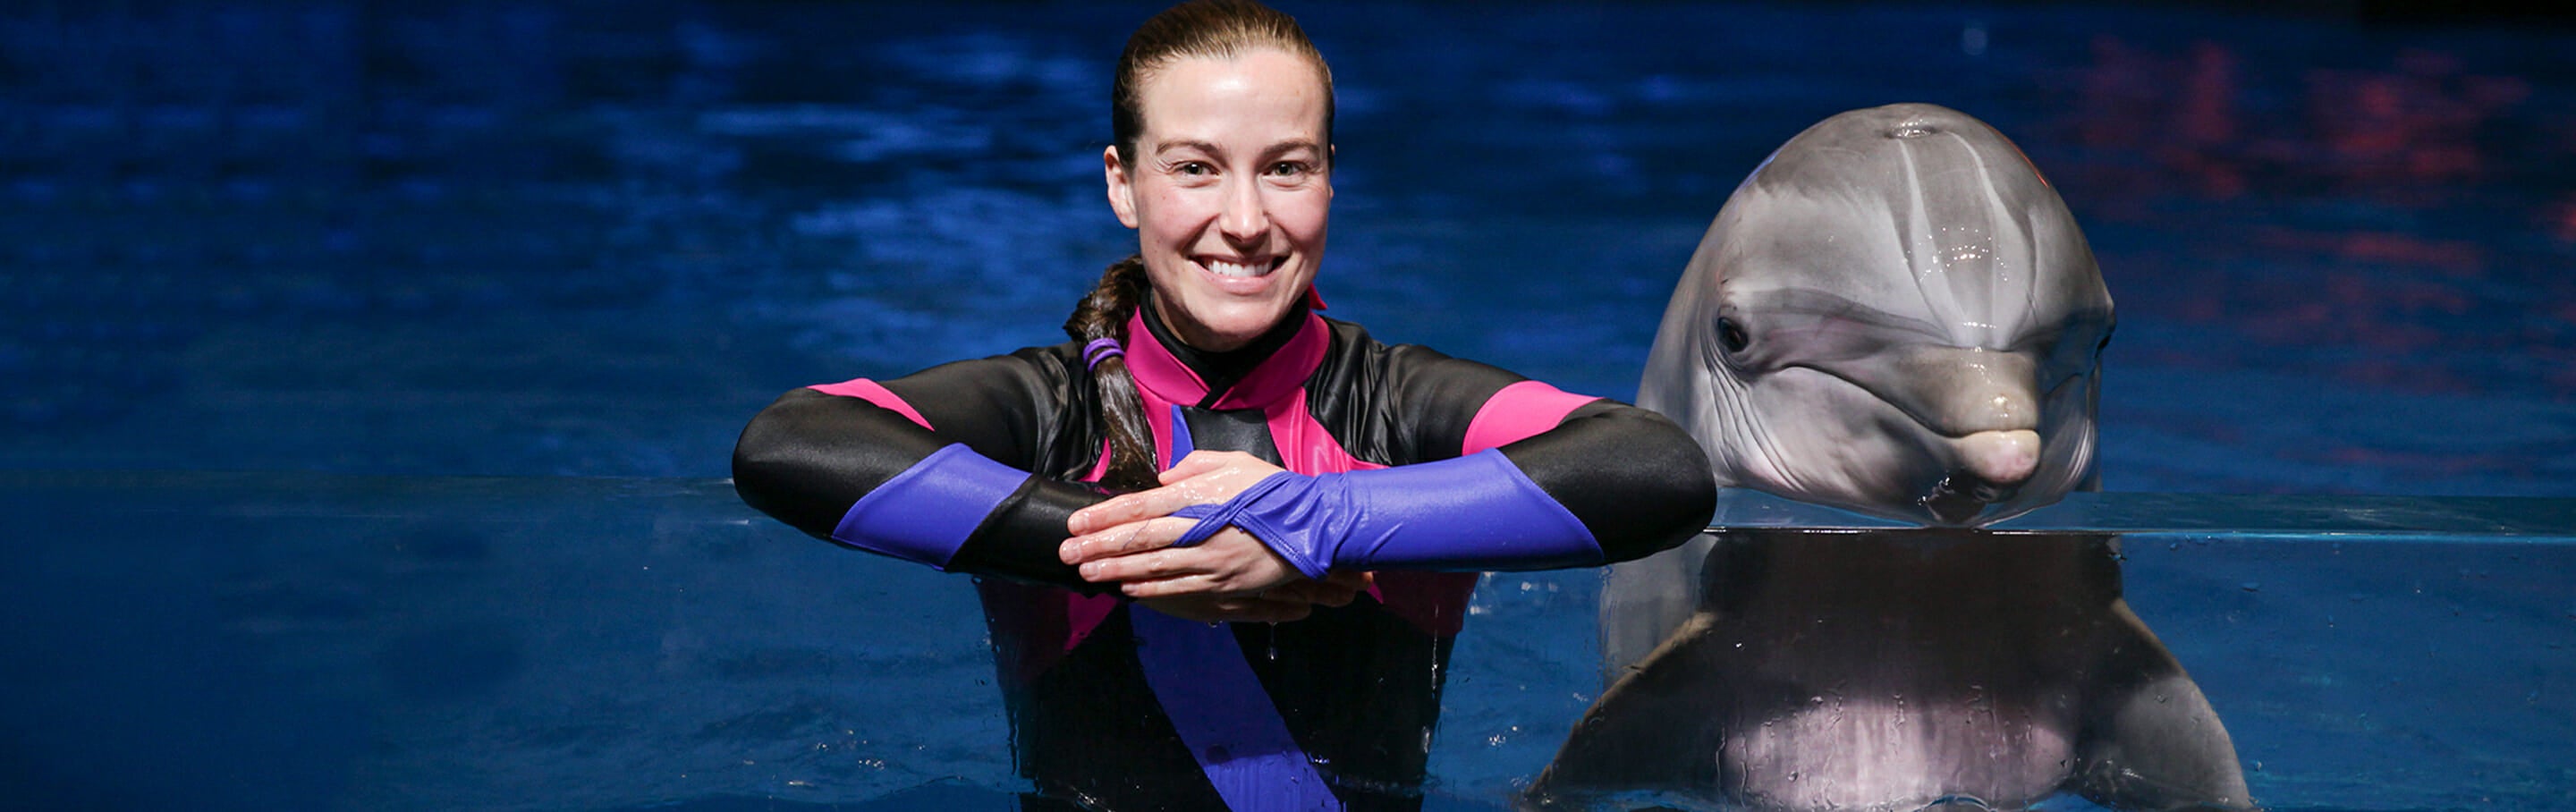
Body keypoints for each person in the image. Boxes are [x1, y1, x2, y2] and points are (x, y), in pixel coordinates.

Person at [731, 2, 1715, 808]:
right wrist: (1152, 551)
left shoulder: (1401, 404)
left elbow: (1655, 470)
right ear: (1124, 184)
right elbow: (790, 442)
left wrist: (1319, 522)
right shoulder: (1048, 406)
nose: (1244, 223)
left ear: (1330, 179)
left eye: (1286, 167)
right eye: (1194, 166)